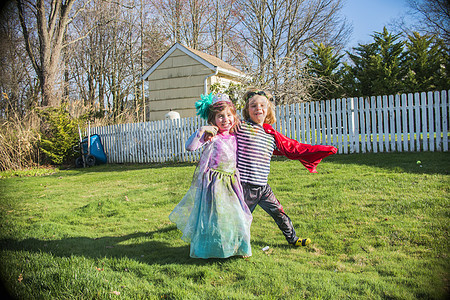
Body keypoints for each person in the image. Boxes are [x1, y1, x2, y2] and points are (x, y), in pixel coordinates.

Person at [236, 88, 337, 247]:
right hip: (245, 186)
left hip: (263, 186)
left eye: (262, 105)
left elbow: (294, 148)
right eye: (253, 106)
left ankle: (293, 239)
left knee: (278, 212)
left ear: (268, 109)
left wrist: (322, 150)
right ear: (247, 110)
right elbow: (223, 131)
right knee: (240, 218)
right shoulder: (240, 127)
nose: (258, 109)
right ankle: (233, 246)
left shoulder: (271, 134)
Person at [169, 93, 252, 259]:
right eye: (220, 116)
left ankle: (239, 247)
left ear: (234, 117)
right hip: (214, 184)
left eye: (229, 115)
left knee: (236, 214)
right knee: (214, 216)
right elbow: (190, 147)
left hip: (232, 181)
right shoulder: (211, 137)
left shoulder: (236, 135)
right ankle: (210, 248)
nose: (225, 119)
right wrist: (201, 131)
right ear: (212, 119)